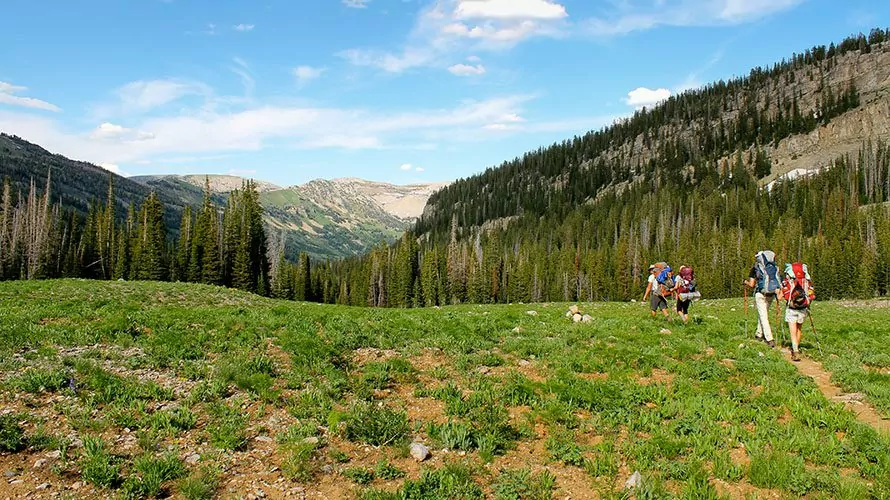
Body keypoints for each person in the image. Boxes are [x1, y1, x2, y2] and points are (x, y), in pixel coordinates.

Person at [744, 250, 781, 348]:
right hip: (771, 293)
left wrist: (746, 283)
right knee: (763, 314)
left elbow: (752, 284)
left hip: (760, 294)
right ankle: (758, 334)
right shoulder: (773, 267)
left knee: (763, 316)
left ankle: (769, 339)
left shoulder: (755, 268)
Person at [781, 262, 815, 362]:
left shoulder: (789, 281)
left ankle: (795, 351)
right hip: (803, 307)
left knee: (792, 331)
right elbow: (811, 294)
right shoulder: (806, 281)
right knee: (799, 328)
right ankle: (796, 347)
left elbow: (785, 295)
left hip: (792, 307)